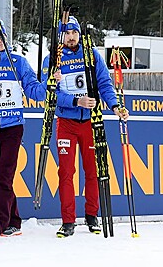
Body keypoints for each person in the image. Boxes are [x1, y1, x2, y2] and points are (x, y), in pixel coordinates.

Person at [0, 25, 60, 241]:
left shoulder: (18, 62)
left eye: (2, 37)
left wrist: (50, 83)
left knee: (5, 173)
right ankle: (14, 221)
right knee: (1, 176)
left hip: (13, 126)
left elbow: (34, 91)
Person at [40, 16, 129, 238]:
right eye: (67, 33)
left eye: (74, 32)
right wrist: (75, 101)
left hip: (91, 122)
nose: (71, 37)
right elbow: (48, 93)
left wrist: (115, 106)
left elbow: (105, 84)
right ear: (61, 36)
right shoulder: (52, 60)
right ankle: (68, 220)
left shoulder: (91, 55)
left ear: (79, 34)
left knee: (93, 170)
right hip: (66, 123)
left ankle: (92, 216)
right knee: (66, 172)